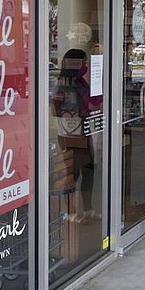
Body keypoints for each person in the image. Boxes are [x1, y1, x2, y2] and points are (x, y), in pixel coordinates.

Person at [51, 48, 102, 222]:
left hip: (84, 129)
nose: (86, 65)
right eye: (83, 62)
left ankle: (87, 209)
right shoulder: (66, 82)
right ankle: (71, 212)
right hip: (70, 132)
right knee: (72, 172)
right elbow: (56, 107)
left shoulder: (81, 81)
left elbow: (94, 100)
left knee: (88, 170)